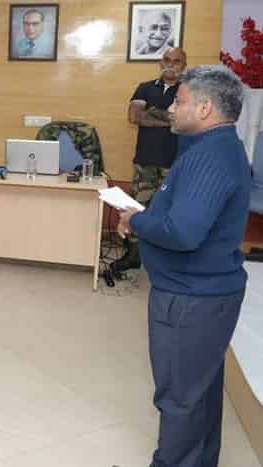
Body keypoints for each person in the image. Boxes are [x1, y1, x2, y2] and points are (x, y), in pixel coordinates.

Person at [116, 65, 249, 467]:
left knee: (179, 397)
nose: (171, 108)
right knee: (199, 392)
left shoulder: (208, 157)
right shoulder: (216, 147)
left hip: (190, 299)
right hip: (204, 294)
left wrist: (136, 220)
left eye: (180, 101)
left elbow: (183, 232)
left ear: (205, 108)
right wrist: (145, 218)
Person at [112, 48, 187, 274]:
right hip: (145, 161)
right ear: (160, 63)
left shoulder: (187, 89)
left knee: (169, 212)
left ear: (184, 65)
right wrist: (170, 118)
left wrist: (153, 113)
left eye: (176, 61)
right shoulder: (145, 87)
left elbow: (185, 120)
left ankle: (164, 260)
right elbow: (134, 116)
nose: (170, 65)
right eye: (167, 60)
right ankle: (134, 255)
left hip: (174, 163)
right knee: (137, 207)